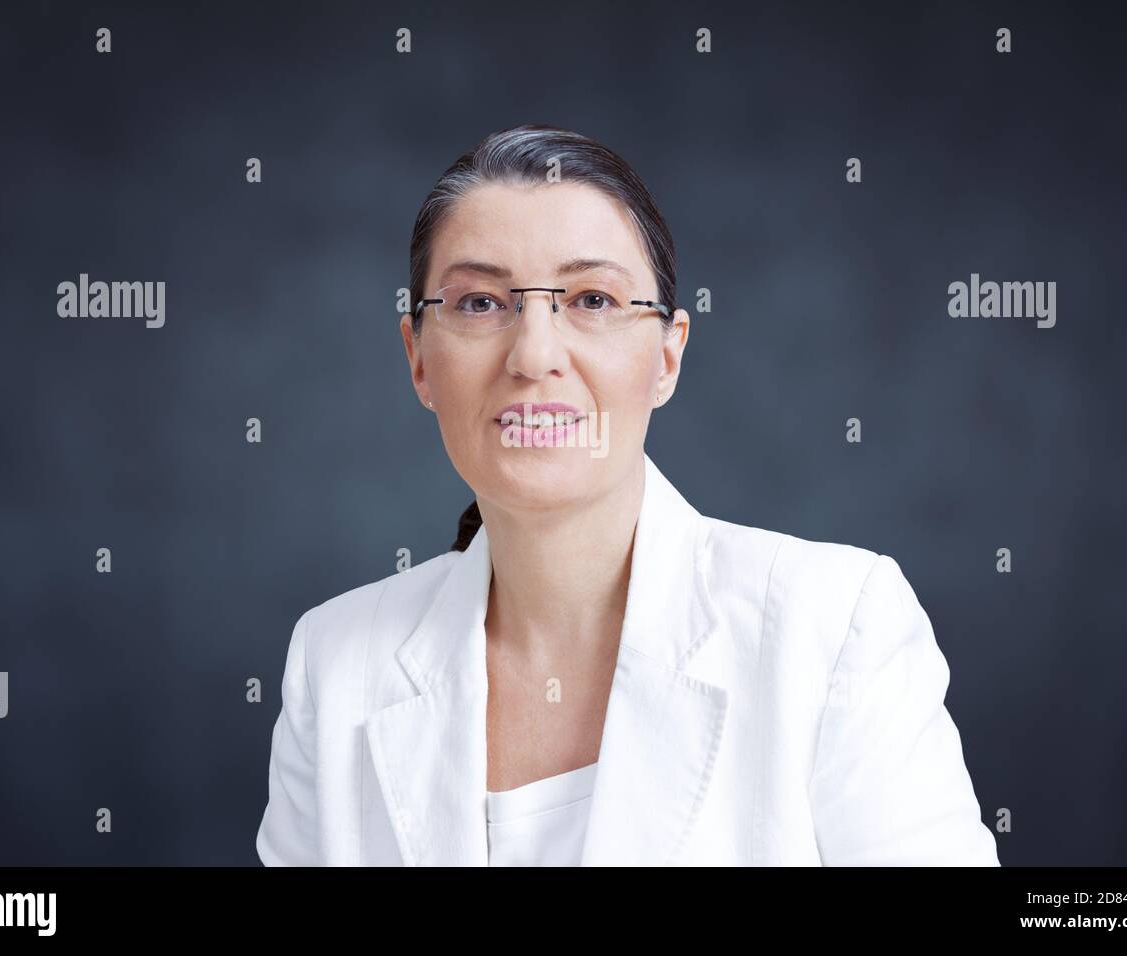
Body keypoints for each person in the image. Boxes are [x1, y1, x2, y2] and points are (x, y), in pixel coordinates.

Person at [255, 123, 1000, 866]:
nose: (535, 354)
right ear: (418, 359)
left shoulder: (834, 627)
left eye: (592, 299)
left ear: (667, 357)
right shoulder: (336, 662)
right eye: (480, 303)